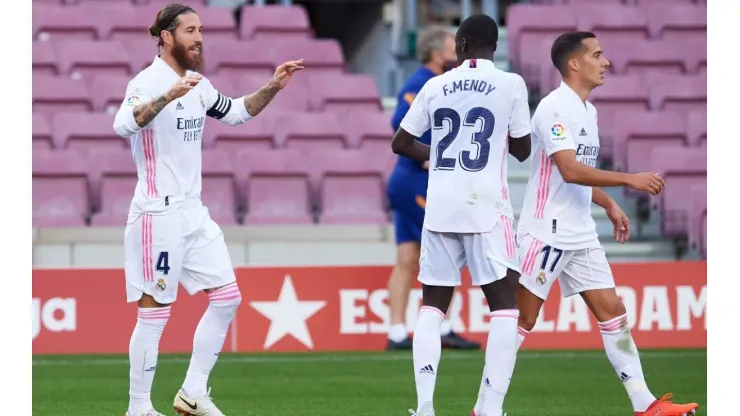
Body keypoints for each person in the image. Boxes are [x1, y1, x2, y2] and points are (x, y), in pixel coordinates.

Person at [470, 31, 699, 416]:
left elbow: (581, 174)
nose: (605, 61)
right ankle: (486, 408)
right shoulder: (554, 108)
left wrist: (609, 203)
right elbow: (569, 170)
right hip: (546, 231)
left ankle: (645, 404)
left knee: (612, 310)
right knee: (522, 319)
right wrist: (628, 180)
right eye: (597, 54)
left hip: (580, 233)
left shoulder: (587, 111)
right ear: (574, 63)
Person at [112, 4, 303, 416]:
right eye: (190, 30)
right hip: (157, 214)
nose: (198, 38)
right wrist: (166, 97)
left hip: (193, 213)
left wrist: (273, 86)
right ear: (166, 36)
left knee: (228, 298)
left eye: (200, 29)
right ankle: (139, 408)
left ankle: (193, 392)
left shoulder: (197, 83)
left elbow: (235, 112)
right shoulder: (146, 82)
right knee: (155, 312)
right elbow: (123, 124)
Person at [391, 14, 532, 416]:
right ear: (493, 43)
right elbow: (522, 149)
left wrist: (438, 157)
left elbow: (401, 142)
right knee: (505, 307)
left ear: (462, 45)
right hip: (486, 207)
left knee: (432, 308)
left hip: (440, 207)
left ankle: (424, 407)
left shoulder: (436, 84)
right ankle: (490, 409)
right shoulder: (511, 83)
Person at [386, 25, 480, 351]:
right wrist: (431, 155)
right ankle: (443, 328)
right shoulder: (422, 82)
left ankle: (396, 331)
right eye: (451, 47)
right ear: (437, 52)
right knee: (445, 252)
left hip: (406, 180)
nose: (457, 52)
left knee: (407, 258)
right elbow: (401, 125)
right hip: (416, 179)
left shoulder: (434, 81)